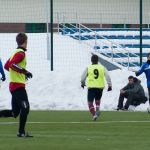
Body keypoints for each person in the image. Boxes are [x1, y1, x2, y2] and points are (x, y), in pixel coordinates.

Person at [0, 33, 33, 137]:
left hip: (14, 86)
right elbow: (11, 65)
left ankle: (21, 131)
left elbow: (6, 66)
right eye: (27, 41)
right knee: (25, 108)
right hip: (18, 86)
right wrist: (25, 72)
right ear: (25, 42)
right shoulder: (21, 53)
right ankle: (21, 132)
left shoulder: (15, 52)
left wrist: (18, 73)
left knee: (15, 113)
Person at [81, 54, 112, 121]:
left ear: (91, 60)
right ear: (98, 60)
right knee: (97, 100)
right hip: (100, 88)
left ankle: (94, 114)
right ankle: (97, 109)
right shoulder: (102, 67)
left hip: (91, 88)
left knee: (90, 103)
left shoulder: (88, 67)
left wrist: (83, 84)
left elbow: (82, 78)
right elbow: (108, 76)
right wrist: (109, 85)